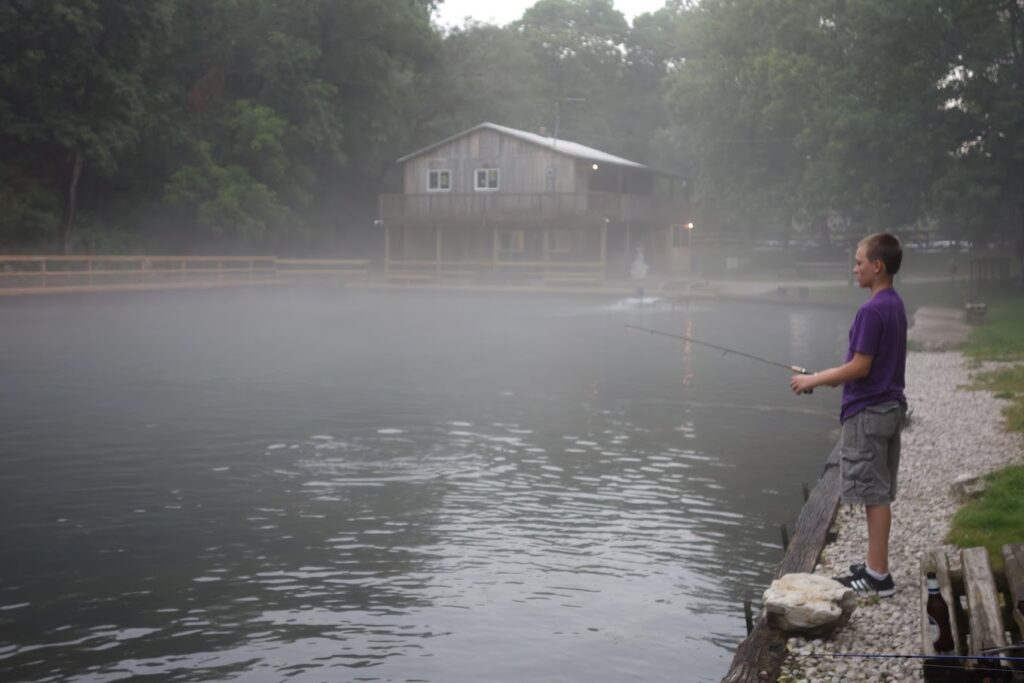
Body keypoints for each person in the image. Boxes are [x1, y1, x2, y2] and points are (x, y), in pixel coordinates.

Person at [790, 233, 908, 597]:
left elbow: (859, 367)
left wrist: (814, 379)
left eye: (859, 262)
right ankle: (875, 567)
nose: (854, 268)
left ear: (878, 266)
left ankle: (877, 577)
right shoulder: (895, 304)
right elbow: (869, 367)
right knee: (880, 493)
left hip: (868, 414)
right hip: (889, 408)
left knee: (873, 494)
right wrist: (824, 381)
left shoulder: (871, 310)